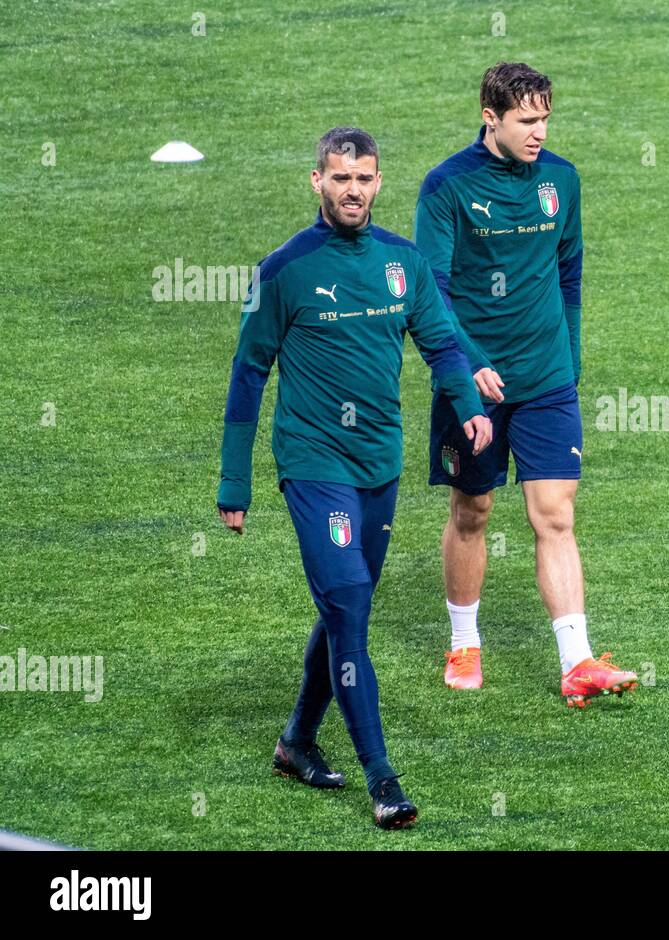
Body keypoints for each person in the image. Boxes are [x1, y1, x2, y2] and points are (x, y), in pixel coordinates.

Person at [216, 127, 492, 828]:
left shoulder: (403, 264)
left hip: (380, 465)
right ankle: (383, 781)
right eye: (340, 179)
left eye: (364, 179)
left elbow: (440, 343)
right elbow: (249, 374)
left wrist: (467, 408)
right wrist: (234, 485)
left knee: (346, 609)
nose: (353, 191)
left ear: (377, 181)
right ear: (317, 182)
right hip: (313, 466)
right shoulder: (285, 270)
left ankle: (296, 742)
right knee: (349, 606)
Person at [413, 62, 636, 707]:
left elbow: (570, 273)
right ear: (492, 117)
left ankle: (578, 660)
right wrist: (467, 362)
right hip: (472, 382)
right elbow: (433, 290)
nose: (540, 131)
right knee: (473, 510)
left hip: (547, 379)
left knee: (555, 516)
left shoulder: (561, 180)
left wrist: (570, 356)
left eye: (545, 118)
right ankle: (464, 642)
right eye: (527, 120)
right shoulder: (447, 187)